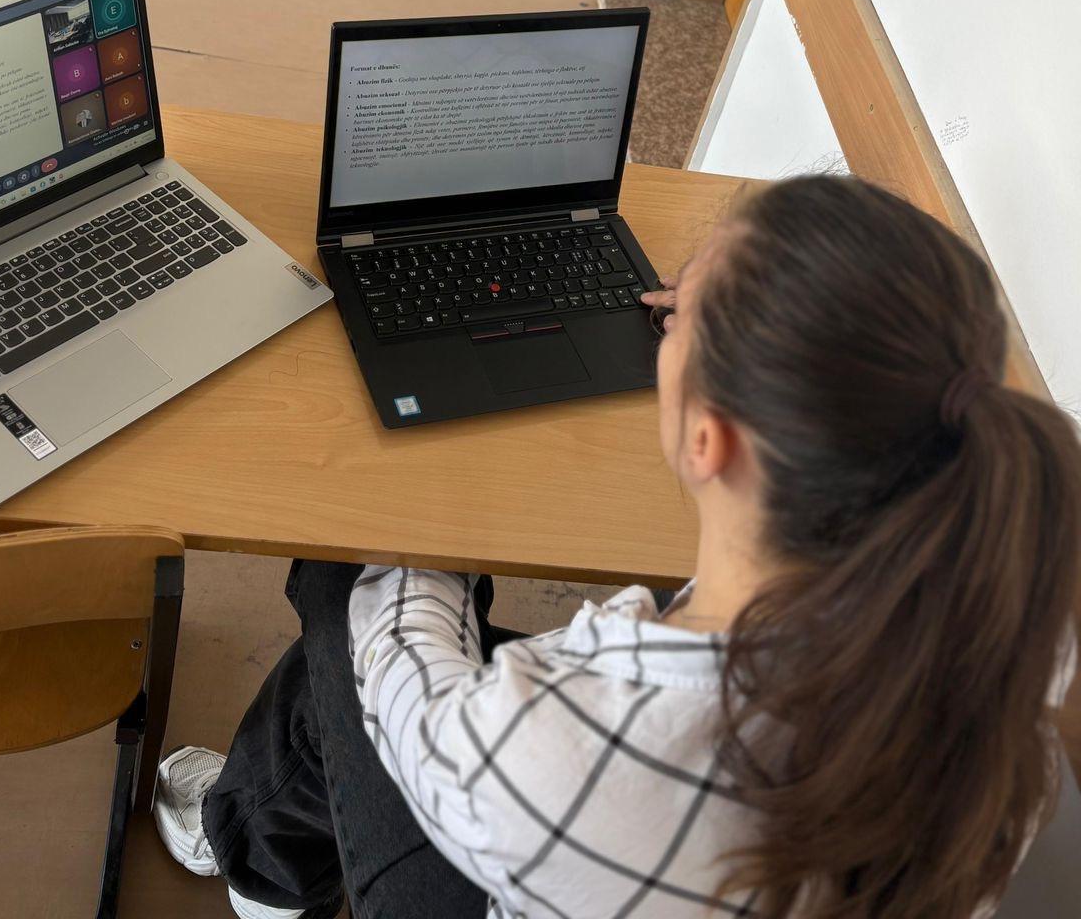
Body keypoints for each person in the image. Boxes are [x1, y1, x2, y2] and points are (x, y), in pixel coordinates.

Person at [153, 176, 1081, 918]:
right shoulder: (1010, 628)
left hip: (527, 852)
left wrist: (432, 480)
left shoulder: (564, 748)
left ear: (708, 441)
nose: (665, 319)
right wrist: (733, 335)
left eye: (681, 324)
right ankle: (257, 838)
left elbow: (410, 679)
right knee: (323, 693)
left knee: (341, 588)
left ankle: (261, 876)